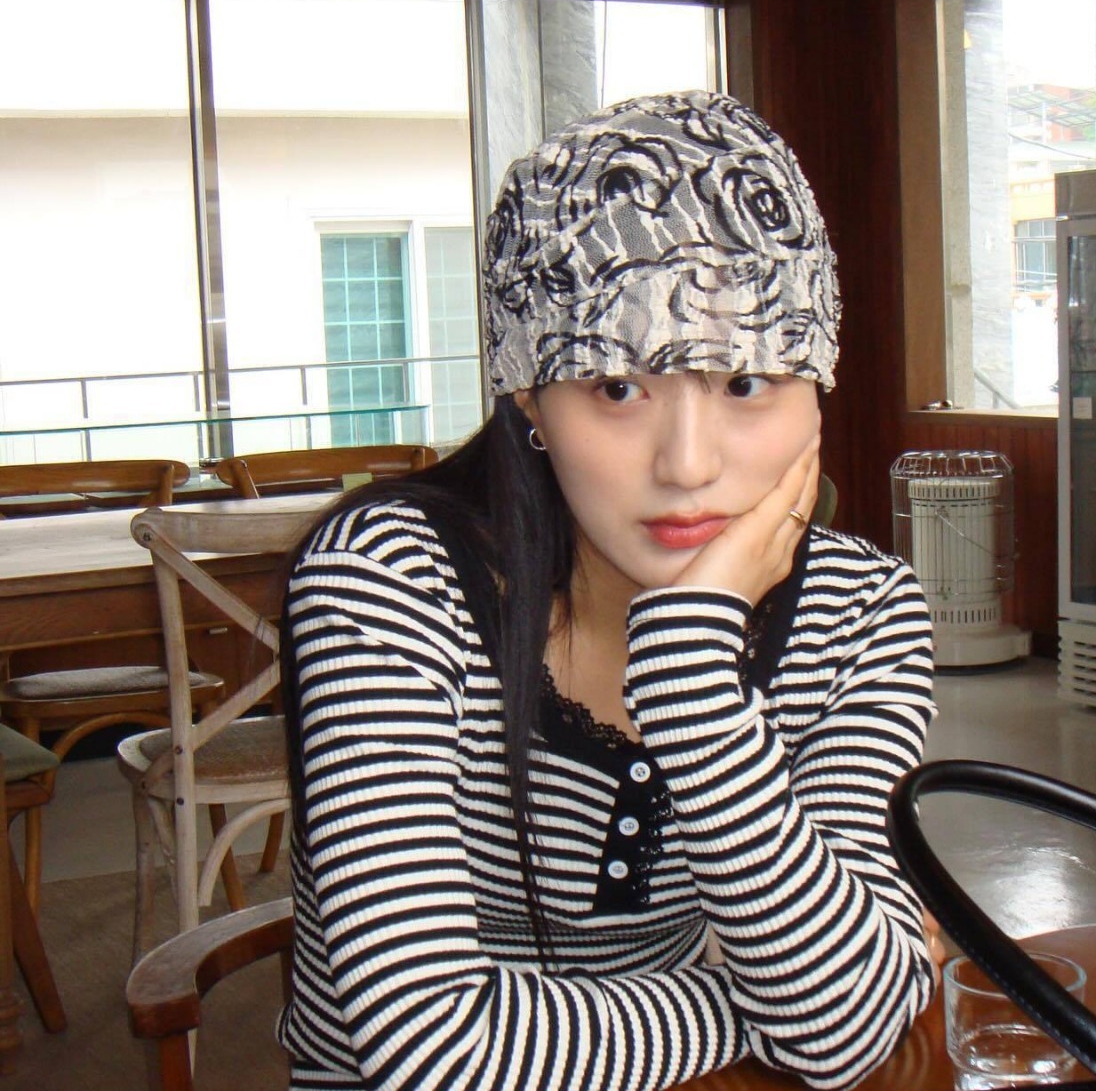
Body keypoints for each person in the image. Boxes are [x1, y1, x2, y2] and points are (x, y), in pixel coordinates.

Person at [276, 90, 938, 1091]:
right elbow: (429, 1047)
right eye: (616, 387)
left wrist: (691, 680)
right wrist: (757, 1004)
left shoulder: (860, 613)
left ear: (817, 387)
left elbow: (842, 1033)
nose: (687, 465)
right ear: (527, 398)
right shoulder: (390, 580)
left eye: (746, 381)